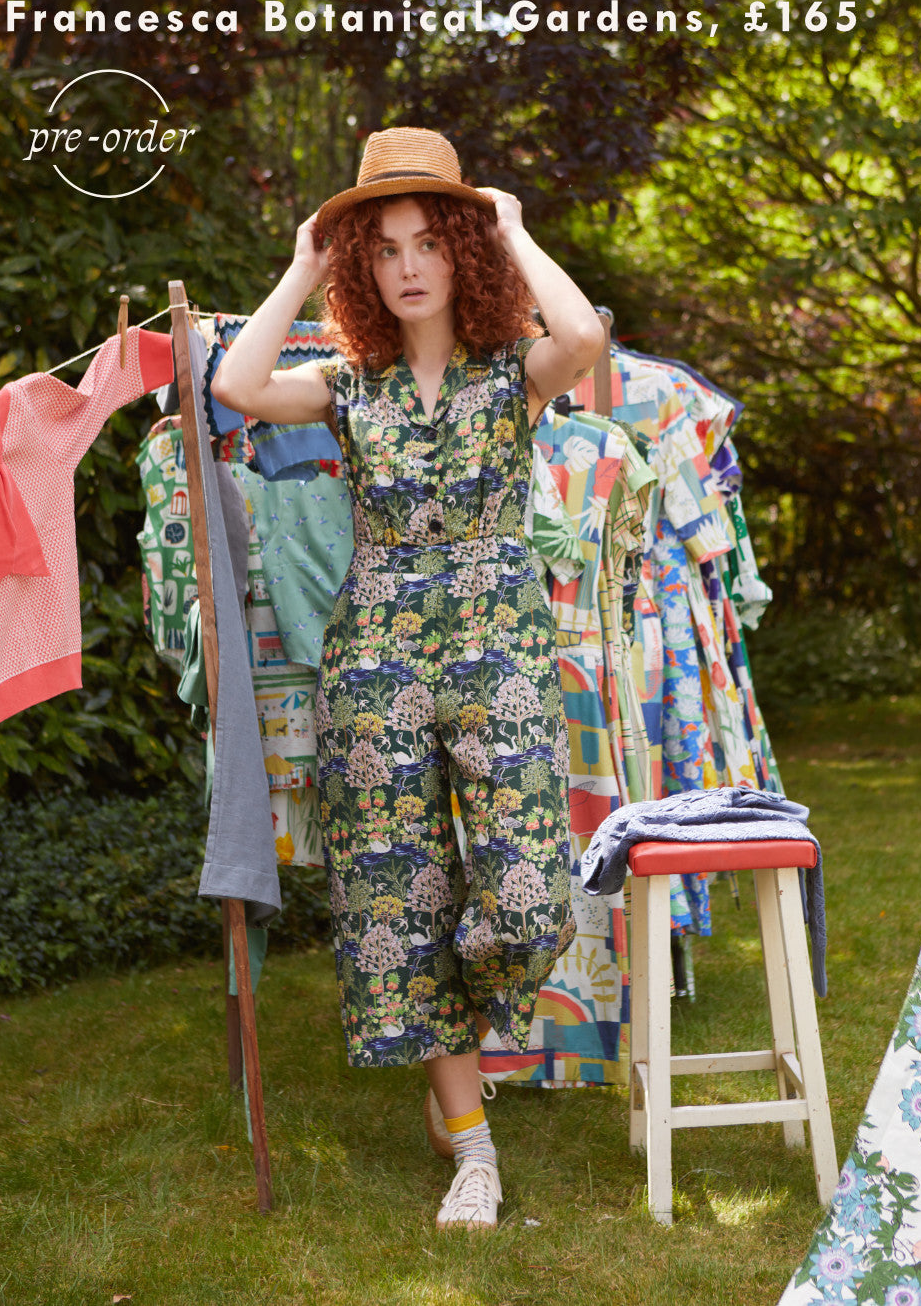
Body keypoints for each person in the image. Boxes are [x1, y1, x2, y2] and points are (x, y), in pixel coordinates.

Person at [212, 126, 605, 1230]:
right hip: (376, 648)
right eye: (383, 248)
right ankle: (469, 1144)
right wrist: (302, 259)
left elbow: (580, 330)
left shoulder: (511, 373)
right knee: (398, 898)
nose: (409, 264)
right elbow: (236, 383)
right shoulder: (348, 383)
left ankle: (465, 1032)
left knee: (527, 900)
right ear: (364, 270)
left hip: (502, 642)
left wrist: (516, 227)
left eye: (430, 239)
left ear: (463, 251)